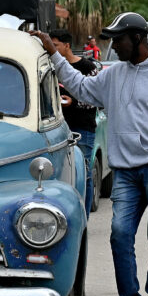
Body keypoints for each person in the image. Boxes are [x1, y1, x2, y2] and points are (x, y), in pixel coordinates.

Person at [30, 12, 148, 296]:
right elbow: (80, 87)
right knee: (120, 235)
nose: (113, 47)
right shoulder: (115, 74)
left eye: (118, 40)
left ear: (137, 39)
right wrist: (53, 52)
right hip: (125, 172)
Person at [49, 28, 100, 217]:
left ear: (67, 45)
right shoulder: (50, 67)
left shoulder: (87, 67)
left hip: (82, 129)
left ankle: (83, 218)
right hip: (58, 130)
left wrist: (74, 102)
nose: (51, 50)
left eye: (55, 46)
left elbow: (96, 98)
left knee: (83, 173)